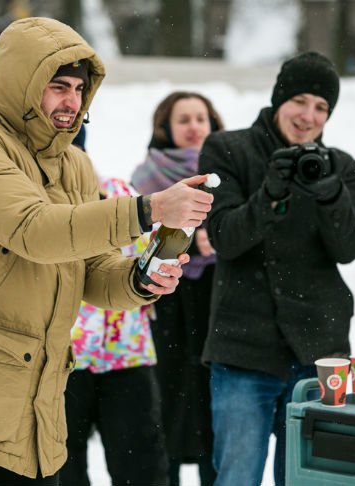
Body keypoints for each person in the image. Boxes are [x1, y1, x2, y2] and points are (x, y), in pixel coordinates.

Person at [0, 17, 213, 486]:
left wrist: (138, 278)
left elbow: (87, 268)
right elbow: (33, 230)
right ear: (22, 84)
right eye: (58, 86)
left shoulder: (75, 165)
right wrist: (149, 208)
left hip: (28, 422)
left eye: (78, 88)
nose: (72, 101)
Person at [198, 52, 355, 486]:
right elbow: (224, 237)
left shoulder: (340, 166)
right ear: (278, 99)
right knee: (237, 477)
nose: (309, 116)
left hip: (319, 354)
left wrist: (330, 193)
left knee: (309, 479)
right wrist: (269, 194)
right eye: (301, 101)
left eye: (322, 107)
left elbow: (350, 247)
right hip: (242, 349)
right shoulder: (226, 150)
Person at [130, 91, 225, 486]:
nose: (193, 127)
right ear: (165, 127)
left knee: (211, 405)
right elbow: (133, 234)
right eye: (183, 119)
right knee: (164, 400)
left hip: (216, 298)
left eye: (200, 118)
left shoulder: (229, 172)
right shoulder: (146, 176)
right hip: (163, 297)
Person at [62, 174, 169, 486]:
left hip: (127, 355)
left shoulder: (118, 192)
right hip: (66, 356)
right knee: (62, 466)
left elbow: (149, 254)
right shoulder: (40, 198)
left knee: (140, 465)